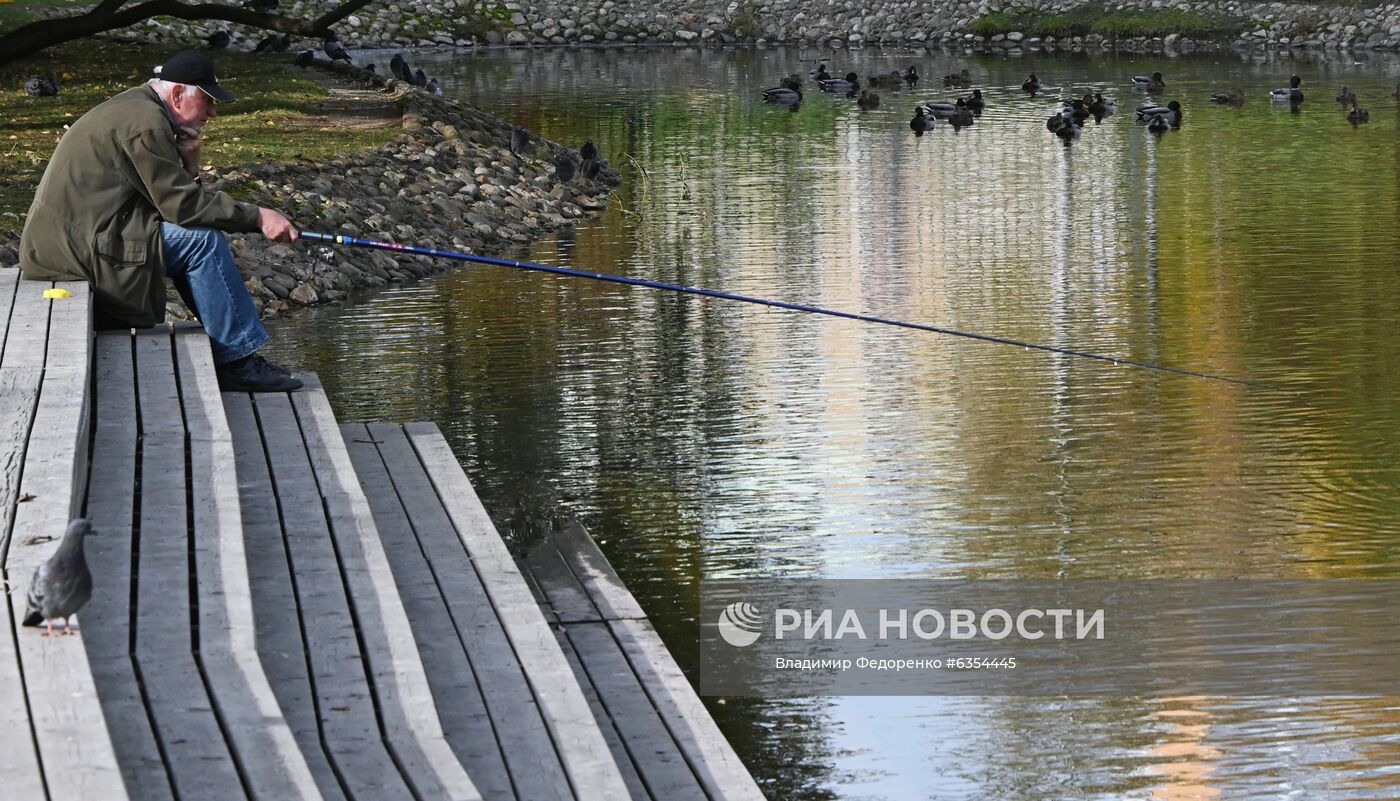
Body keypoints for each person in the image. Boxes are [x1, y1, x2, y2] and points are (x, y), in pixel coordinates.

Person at [19, 50, 302, 392]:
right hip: (76, 251)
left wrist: (192, 164)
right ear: (179, 94)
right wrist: (258, 216)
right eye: (208, 101)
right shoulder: (147, 125)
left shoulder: (140, 107)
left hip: (74, 240)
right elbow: (183, 209)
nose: (213, 112)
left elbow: (172, 201)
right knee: (203, 244)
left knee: (196, 238)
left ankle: (235, 354)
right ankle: (239, 363)